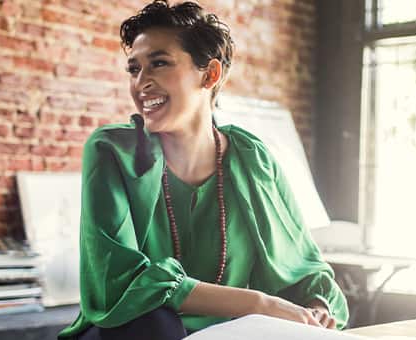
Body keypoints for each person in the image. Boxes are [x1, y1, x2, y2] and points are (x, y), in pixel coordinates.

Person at [57, 1, 349, 339]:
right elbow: (119, 281)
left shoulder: (252, 159)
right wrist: (260, 304)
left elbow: (303, 266)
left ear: (210, 74)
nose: (141, 83)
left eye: (159, 63)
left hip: (231, 333)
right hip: (136, 332)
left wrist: (318, 308)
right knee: (153, 322)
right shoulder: (111, 151)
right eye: (134, 69)